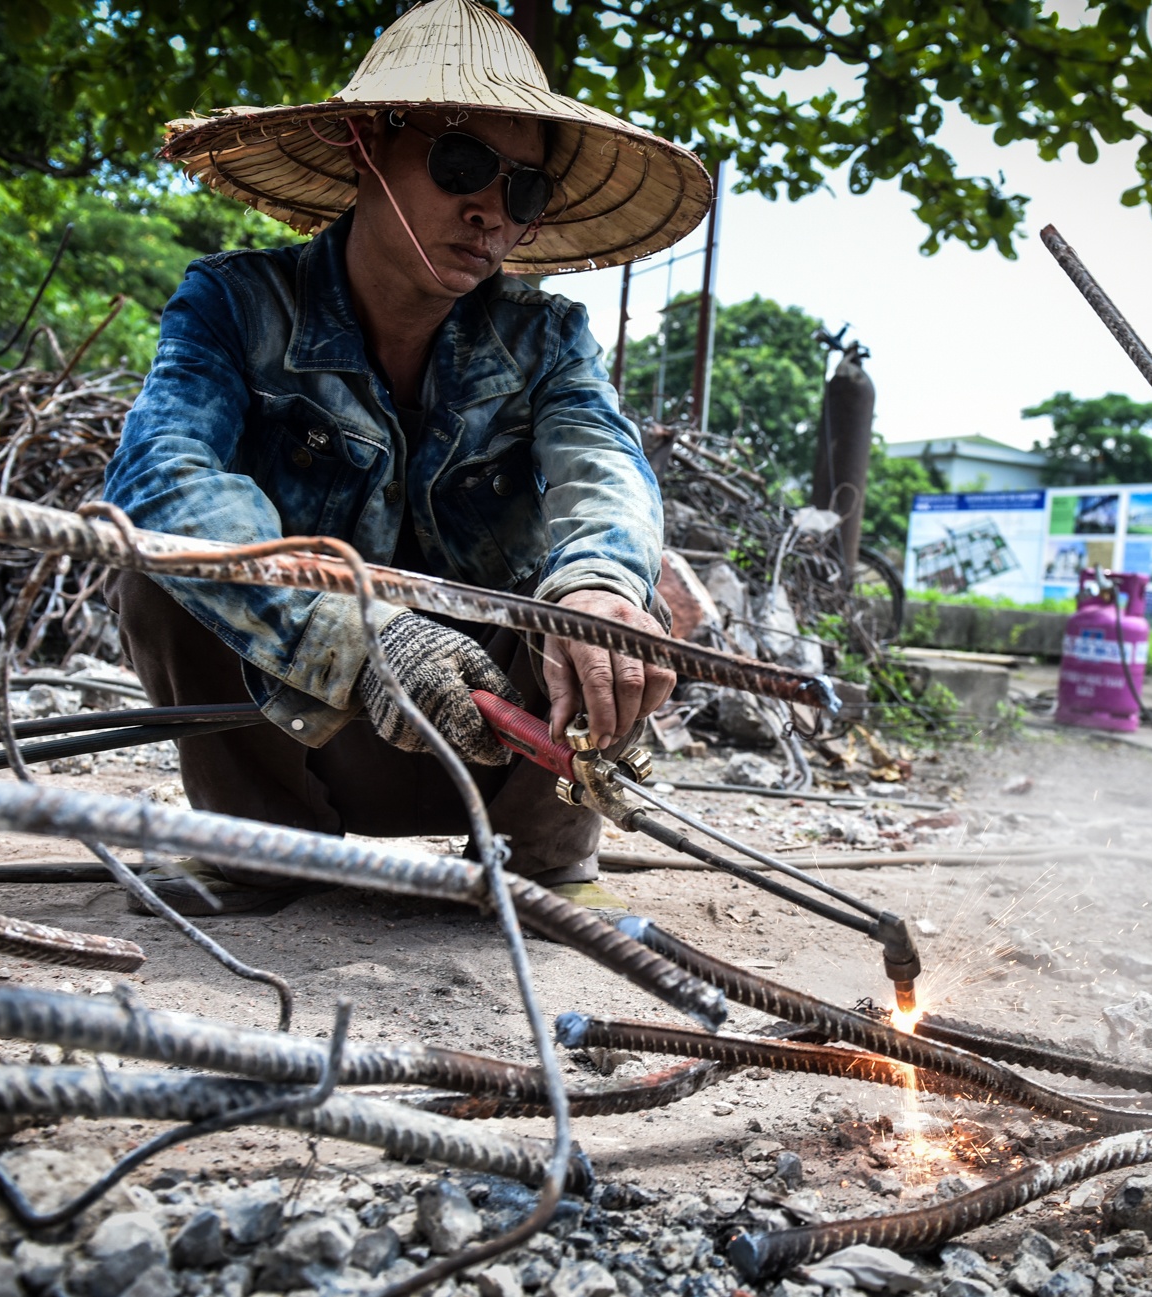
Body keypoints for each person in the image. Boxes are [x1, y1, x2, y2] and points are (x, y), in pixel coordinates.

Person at [99, 0, 712, 913]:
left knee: (632, 587)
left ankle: (543, 859)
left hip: (507, 735)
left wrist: (597, 588)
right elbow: (162, 476)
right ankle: (261, 854)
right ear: (363, 144)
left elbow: (603, 465)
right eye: (462, 163)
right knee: (161, 568)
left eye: (524, 190)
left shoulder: (550, 340)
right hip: (301, 719)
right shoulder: (233, 304)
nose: (489, 211)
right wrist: (358, 632)